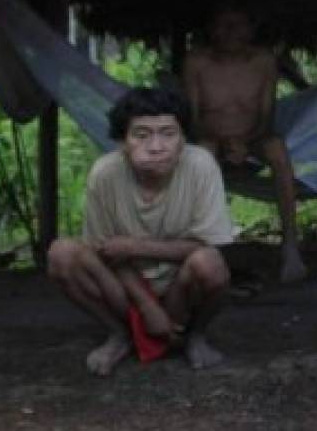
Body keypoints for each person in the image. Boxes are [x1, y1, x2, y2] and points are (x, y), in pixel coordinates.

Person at [46, 87, 234, 376]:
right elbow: (104, 251)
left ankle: (194, 336)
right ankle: (120, 334)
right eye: (142, 135)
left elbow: (209, 245)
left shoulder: (201, 166)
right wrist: (147, 306)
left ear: (183, 139)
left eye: (168, 133)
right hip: (123, 287)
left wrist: (135, 247)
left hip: (179, 289)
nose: (156, 146)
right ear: (123, 141)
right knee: (62, 254)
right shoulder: (105, 173)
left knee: (209, 263)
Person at [184, 4, 306, 283]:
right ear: (211, 29)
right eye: (223, 24)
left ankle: (290, 246)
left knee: (277, 150)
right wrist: (223, 142)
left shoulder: (263, 61)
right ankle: (202, 245)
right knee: (202, 154)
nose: (230, 32)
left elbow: (266, 114)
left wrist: (246, 142)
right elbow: (192, 117)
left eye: (237, 25)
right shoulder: (196, 62)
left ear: (251, 30)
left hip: (255, 138)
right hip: (210, 138)